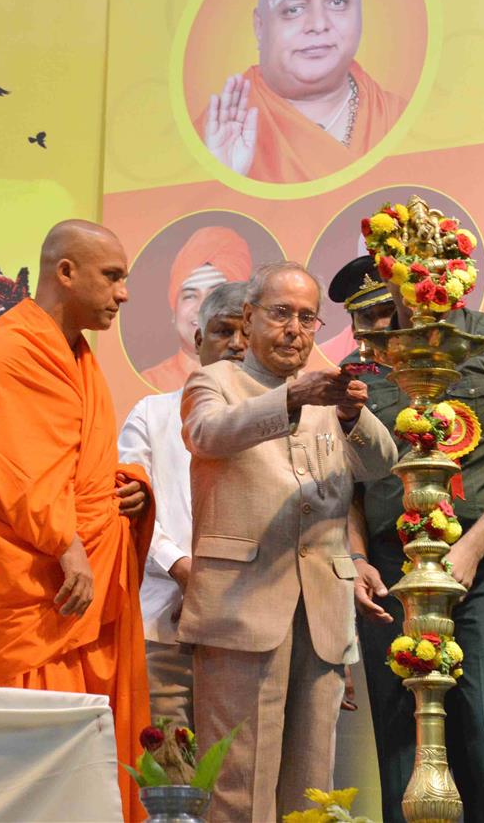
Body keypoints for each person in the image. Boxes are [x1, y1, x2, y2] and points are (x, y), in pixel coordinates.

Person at [178, 261, 397, 822]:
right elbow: (207, 435)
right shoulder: (214, 382)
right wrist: (292, 400)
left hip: (321, 610)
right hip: (241, 609)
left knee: (312, 786)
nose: (295, 328)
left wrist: (351, 414)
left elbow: (381, 462)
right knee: (237, 786)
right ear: (248, 319)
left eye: (307, 318)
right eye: (280, 313)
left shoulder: (329, 391)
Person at [0, 219, 154, 821]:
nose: (123, 294)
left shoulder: (78, 354)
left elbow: (74, 463)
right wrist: (66, 542)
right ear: (66, 273)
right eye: (113, 277)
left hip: (84, 566)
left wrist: (130, 489)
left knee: (88, 752)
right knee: (38, 757)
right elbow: (2, 464)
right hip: (42, 582)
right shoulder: (13, 345)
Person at [349, 286, 484, 823]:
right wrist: (354, 558)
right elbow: (347, 482)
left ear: (457, 272)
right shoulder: (365, 360)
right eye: (404, 267)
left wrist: (471, 548)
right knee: (400, 741)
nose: (417, 279)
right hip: (390, 569)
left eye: (432, 263)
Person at [119, 281, 247, 728]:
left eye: (247, 332)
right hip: (163, 623)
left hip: (247, 628)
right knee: (170, 772)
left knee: (238, 776)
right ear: (198, 339)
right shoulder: (151, 415)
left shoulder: (284, 424)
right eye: (223, 331)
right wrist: (183, 568)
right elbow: (130, 509)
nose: (236, 345)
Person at [199, 0, 407, 184]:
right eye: (294, 9)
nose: (318, 24)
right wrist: (224, 179)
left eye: (338, 2)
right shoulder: (216, 134)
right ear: (259, 26)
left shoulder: (397, 118)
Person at [139, 226, 253, 392]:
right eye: (190, 296)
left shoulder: (268, 383)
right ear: (174, 312)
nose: (201, 307)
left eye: (214, 294)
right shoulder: (151, 384)